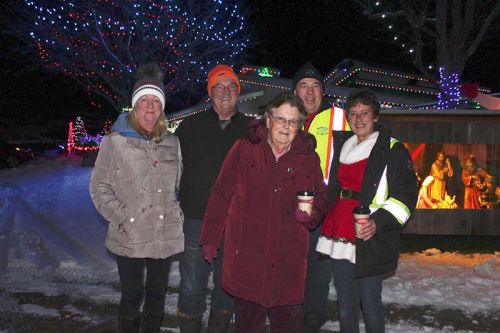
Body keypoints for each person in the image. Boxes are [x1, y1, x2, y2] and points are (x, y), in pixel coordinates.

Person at [199, 93, 328, 332]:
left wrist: (312, 215)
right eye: (281, 119)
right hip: (248, 260)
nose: (286, 126)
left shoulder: (308, 159)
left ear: (299, 126)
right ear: (268, 119)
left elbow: (321, 197)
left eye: (293, 121)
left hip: (288, 262)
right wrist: (210, 237)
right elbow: (221, 195)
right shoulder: (244, 150)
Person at [89, 63, 184, 333]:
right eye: (145, 100)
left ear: (162, 107)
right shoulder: (115, 141)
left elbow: (178, 185)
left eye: (156, 101)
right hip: (130, 234)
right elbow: (99, 187)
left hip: (163, 234)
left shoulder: (172, 142)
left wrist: (176, 212)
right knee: (132, 297)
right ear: (135, 105)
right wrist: (123, 218)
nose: (151, 107)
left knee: (156, 297)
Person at [316, 89, 418, 333]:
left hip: (368, 233)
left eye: (365, 113)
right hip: (339, 229)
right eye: (353, 113)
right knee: (345, 302)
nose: (359, 119)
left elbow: (405, 196)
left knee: (370, 302)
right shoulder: (344, 146)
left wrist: (378, 222)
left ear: (376, 117)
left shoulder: (392, 150)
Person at [175, 64, 250, 332]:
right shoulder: (189, 127)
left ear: (238, 92)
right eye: (219, 87)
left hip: (234, 223)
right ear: (211, 93)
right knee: (192, 285)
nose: (225, 92)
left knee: (227, 285)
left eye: (231, 87)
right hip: (197, 219)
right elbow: (173, 167)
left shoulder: (252, 130)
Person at [292, 61, 350, 332]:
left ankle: (312, 321)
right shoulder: (285, 116)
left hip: (325, 209)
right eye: (304, 87)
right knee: (288, 266)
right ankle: (288, 318)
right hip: (287, 208)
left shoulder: (341, 118)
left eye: (316, 87)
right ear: (295, 92)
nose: (311, 93)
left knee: (318, 271)